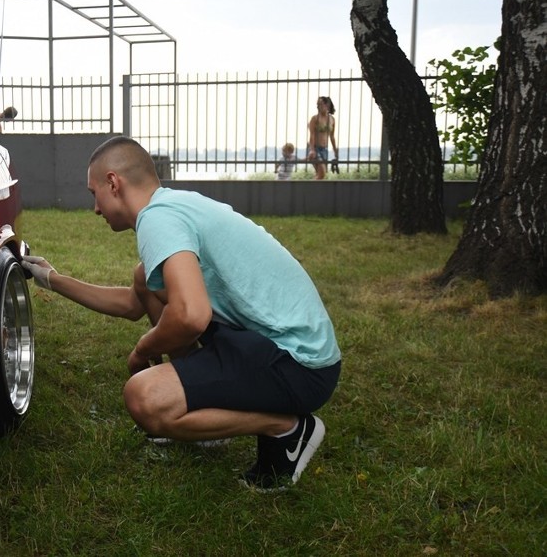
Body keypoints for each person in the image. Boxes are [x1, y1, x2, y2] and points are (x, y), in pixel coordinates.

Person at [21, 136, 341, 491]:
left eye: (92, 192)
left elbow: (191, 315)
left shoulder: (158, 219)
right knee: (145, 278)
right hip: (284, 350)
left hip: (300, 366)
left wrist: (143, 350)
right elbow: (133, 302)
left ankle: (288, 428)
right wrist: (52, 280)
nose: (95, 207)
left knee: (145, 399)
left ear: (113, 183)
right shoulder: (173, 206)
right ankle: (206, 407)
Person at [307, 96, 339, 180]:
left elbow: (332, 136)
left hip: (324, 149)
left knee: (320, 175)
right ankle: (307, 190)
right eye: (317, 104)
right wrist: (312, 150)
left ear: (327, 105)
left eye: (320, 104)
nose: (318, 106)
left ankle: (311, 191)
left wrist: (335, 150)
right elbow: (312, 135)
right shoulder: (314, 119)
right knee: (322, 174)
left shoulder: (332, 119)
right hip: (315, 148)